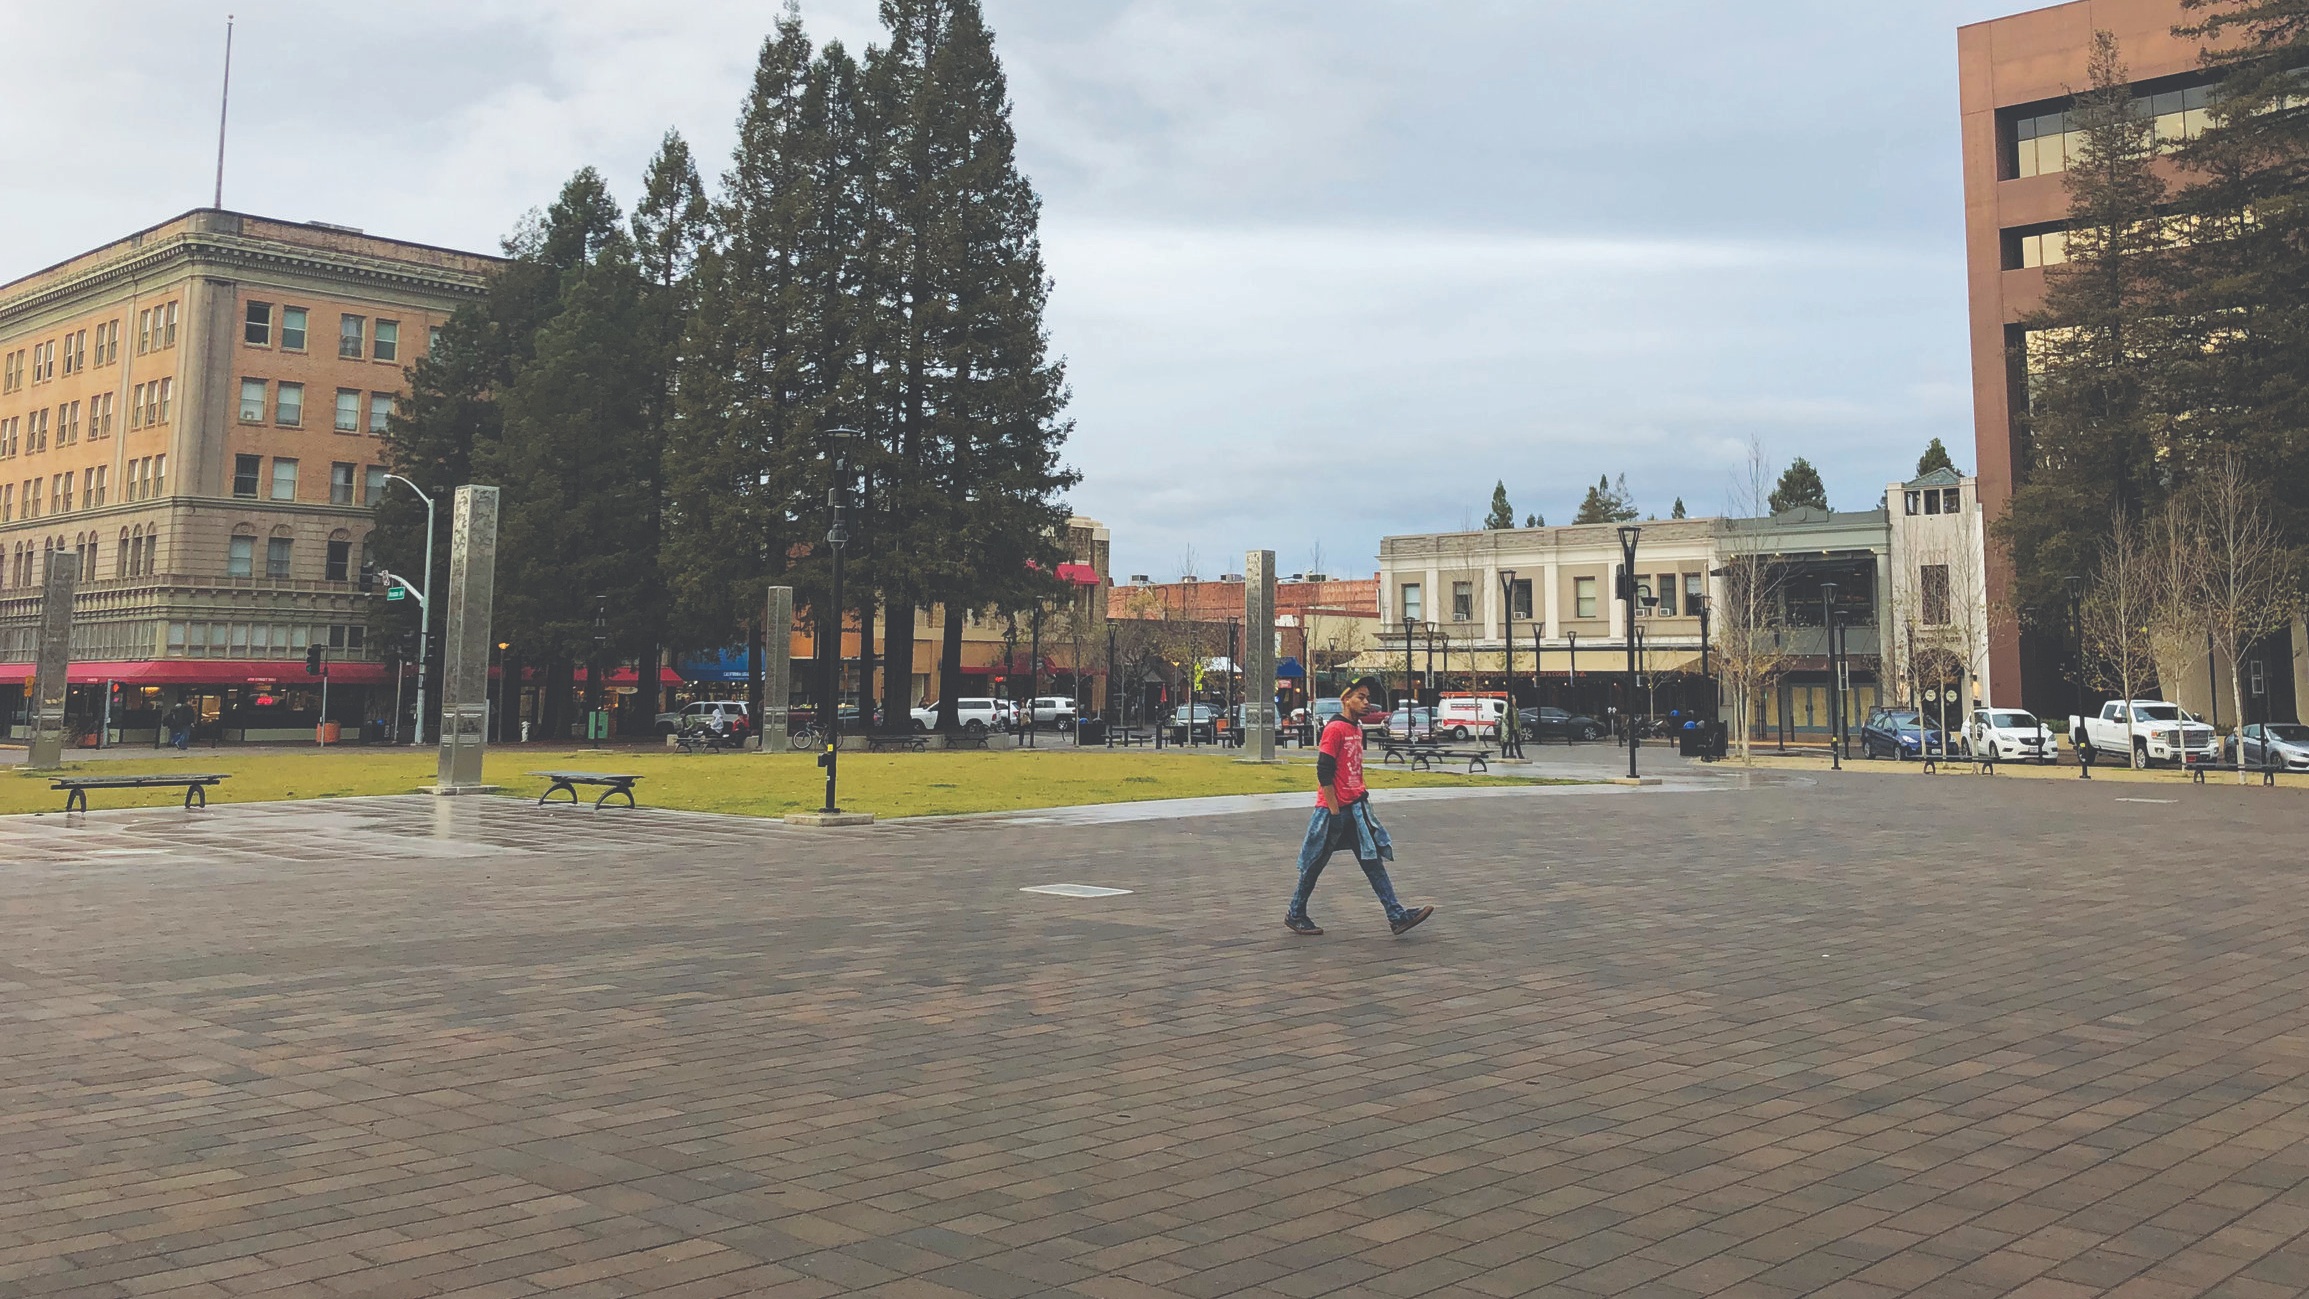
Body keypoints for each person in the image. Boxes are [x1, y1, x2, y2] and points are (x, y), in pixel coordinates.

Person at [1285, 676, 1434, 938]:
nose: (1366, 702)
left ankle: (1396, 915)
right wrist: (1333, 809)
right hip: (1334, 810)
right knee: (1315, 863)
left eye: (1367, 697)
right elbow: (1324, 771)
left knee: (1372, 861)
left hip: (1356, 808)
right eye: (1360, 697)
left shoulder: (1356, 728)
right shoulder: (1335, 729)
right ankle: (1296, 912)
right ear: (1346, 699)